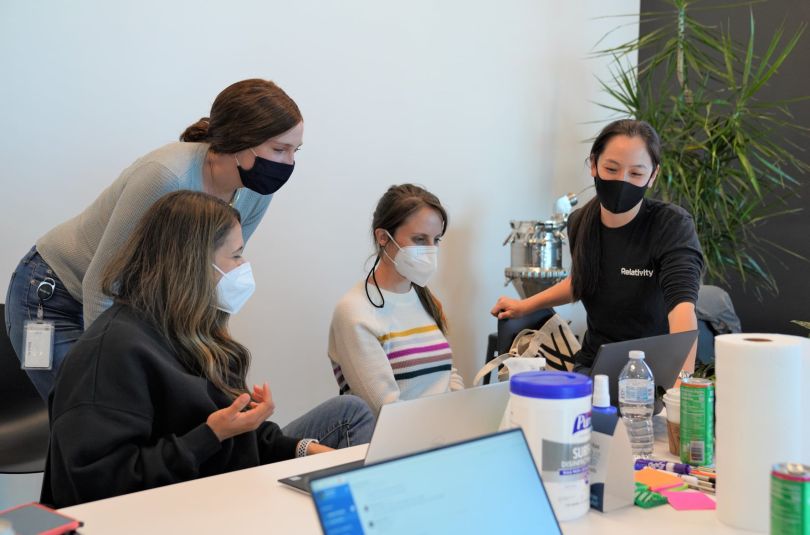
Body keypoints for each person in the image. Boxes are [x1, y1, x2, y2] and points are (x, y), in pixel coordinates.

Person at [41, 191, 374, 508]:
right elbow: (98, 485)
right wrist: (211, 435)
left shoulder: (192, 332)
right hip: (166, 510)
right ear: (195, 263)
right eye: (236, 255)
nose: (244, 266)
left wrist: (306, 451)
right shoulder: (112, 353)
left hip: (219, 487)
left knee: (350, 414)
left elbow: (239, 439)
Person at [4, 78, 303, 399]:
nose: (289, 164)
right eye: (279, 149)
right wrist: (116, 372)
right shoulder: (165, 177)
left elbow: (216, 279)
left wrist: (216, 370)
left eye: (295, 151)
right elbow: (101, 284)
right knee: (87, 410)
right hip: (53, 296)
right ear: (240, 141)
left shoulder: (256, 191)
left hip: (123, 307)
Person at [491, 119, 704, 374]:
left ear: (653, 176)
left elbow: (682, 308)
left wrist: (682, 383)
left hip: (655, 370)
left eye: (636, 174)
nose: (622, 181)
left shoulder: (671, 225)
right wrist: (525, 306)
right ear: (593, 164)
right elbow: (583, 279)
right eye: (611, 169)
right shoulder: (580, 221)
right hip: (596, 365)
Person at [328, 184, 464, 415]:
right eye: (419, 239)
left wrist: (461, 413)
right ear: (383, 237)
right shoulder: (354, 312)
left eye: (436, 240)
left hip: (444, 428)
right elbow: (386, 409)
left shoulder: (424, 297)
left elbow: (447, 374)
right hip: (398, 435)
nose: (431, 250)